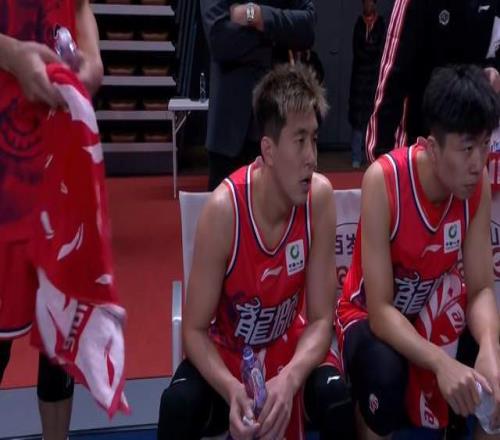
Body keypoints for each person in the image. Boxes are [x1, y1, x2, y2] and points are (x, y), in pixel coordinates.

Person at [157, 63, 355, 440]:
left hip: (289, 348)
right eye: (299, 141)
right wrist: (231, 388)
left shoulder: (319, 198)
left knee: (335, 398)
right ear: (268, 150)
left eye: (314, 140)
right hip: (228, 354)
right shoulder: (224, 211)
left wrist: (291, 377)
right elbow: (194, 331)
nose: (312, 157)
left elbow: (320, 320)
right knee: (178, 405)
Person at [336, 64, 500, 439]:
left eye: (484, 145)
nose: (478, 162)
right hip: (367, 315)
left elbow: (480, 288)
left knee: (496, 377)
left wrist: (490, 348)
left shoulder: (476, 183)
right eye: (467, 148)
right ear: (431, 147)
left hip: (432, 307)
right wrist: (442, 363)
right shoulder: (384, 180)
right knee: (384, 377)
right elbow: (380, 311)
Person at [0, 1, 103, 439]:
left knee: (60, 333)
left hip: (59, 147)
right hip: (6, 159)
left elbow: (80, 6)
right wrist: (12, 55)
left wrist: (92, 58)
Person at [200, 0, 316, 190]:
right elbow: (220, 40)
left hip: (280, 125)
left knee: (282, 207)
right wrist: (278, 39)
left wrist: (257, 15)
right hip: (229, 134)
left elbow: (307, 28)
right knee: (228, 206)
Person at [365, 0, 500, 162]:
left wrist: (493, 69)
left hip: (471, 146)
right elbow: (390, 81)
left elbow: (493, 53)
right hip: (417, 145)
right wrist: (382, 160)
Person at [348, 0, 385, 169]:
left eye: (370, 2)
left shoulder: (380, 24)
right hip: (359, 80)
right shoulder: (358, 24)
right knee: (357, 121)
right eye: (365, 2)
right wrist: (369, 50)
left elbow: (380, 50)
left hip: (374, 79)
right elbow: (358, 50)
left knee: (373, 120)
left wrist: (369, 50)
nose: (367, 5)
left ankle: (372, 157)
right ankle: (356, 157)